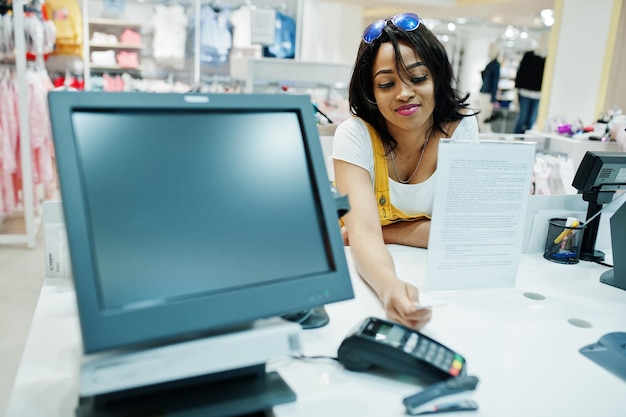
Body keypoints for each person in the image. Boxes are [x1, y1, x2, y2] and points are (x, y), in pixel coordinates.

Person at [332, 12, 479, 330]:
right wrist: (389, 289)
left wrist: (383, 231)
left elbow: (457, 233)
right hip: (357, 273)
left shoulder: (461, 130)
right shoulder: (355, 137)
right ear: (371, 92)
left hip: (443, 283)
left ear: (437, 78)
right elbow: (363, 235)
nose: (404, 93)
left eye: (418, 78)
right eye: (386, 83)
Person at [513, 39, 547, 134]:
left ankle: (525, 141)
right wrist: (516, 90)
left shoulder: (547, 59)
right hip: (525, 93)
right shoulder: (528, 56)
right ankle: (516, 140)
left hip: (538, 94)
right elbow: (520, 73)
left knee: (531, 120)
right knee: (522, 118)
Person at [478, 42, 501, 133]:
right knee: (482, 119)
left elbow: (495, 83)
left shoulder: (495, 65)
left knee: (484, 120)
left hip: (487, 95)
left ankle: (486, 138)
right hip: (484, 92)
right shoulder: (491, 63)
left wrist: (492, 101)